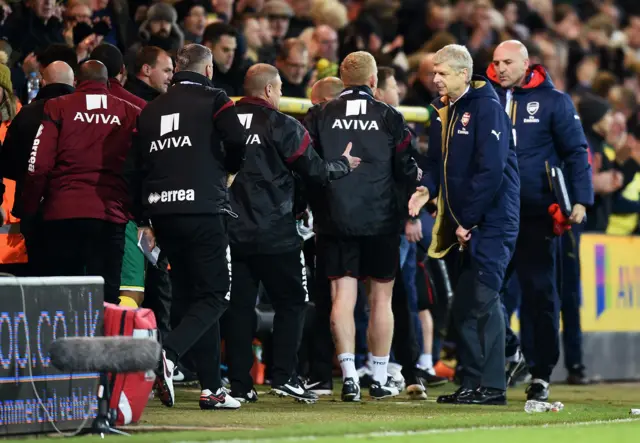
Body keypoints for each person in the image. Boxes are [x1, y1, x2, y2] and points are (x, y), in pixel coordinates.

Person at [225, 63, 359, 404]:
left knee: (239, 308)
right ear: (269, 90)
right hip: (275, 232)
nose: (282, 95)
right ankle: (284, 375)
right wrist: (342, 164)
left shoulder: (221, 121)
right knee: (293, 303)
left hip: (231, 232)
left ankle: (240, 384)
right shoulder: (282, 124)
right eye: (281, 89)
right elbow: (313, 171)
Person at [125, 44, 247, 410]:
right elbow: (238, 141)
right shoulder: (215, 99)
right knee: (216, 295)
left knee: (192, 298)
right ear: (208, 69)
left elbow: (134, 169)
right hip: (203, 209)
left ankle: (212, 389)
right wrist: (227, 168)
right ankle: (169, 354)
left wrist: (145, 217)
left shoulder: (150, 109)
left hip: (162, 215)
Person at [304, 51, 419, 402]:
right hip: (381, 219)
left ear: (343, 78)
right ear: (373, 82)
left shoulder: (320, 114)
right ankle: (380, 377)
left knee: (342, 297)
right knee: (381, 299)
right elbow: (405, 169)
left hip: (335, 219)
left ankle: (350, 376)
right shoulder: (389, 116)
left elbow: (307, 165)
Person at [409, 44, 519, 405]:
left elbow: (491, 171)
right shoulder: (444, 112)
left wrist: (468, 219)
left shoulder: (487, 109)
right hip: (461, 224)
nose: (435, 79)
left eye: (441, 73)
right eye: (433, 73)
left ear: (462, 74)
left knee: (484, 300)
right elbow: (432, 162)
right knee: (465, 305)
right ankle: (472, 383)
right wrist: (426, 188)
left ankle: (493, 386)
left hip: (492, 221)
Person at [487, 40, 593, 400]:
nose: (500, 68)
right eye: (495, 62)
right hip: (493, 213)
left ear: (526, 63)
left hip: (536, 214)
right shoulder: (483, 99)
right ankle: (509, 352)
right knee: (483, 289)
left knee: (540, 295)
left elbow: (576, 152)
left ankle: (541, 373)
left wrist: (580, 199)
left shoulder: (554, 101)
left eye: (507, 62)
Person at [20, 60, 140, 303]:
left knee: (63, 301)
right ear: (107, 83)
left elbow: (38, 165)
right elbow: (141, 166)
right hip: (110, 217)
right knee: (105, 302)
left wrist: (29, 208)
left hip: (63, 215)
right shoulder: (131, 113)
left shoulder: (57, 107)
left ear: (76, 82)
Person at [0, 61, 75, 276]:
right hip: (34, 215)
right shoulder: (77, 116)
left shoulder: (23, 117)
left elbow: (11, 167)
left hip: (23, 219)